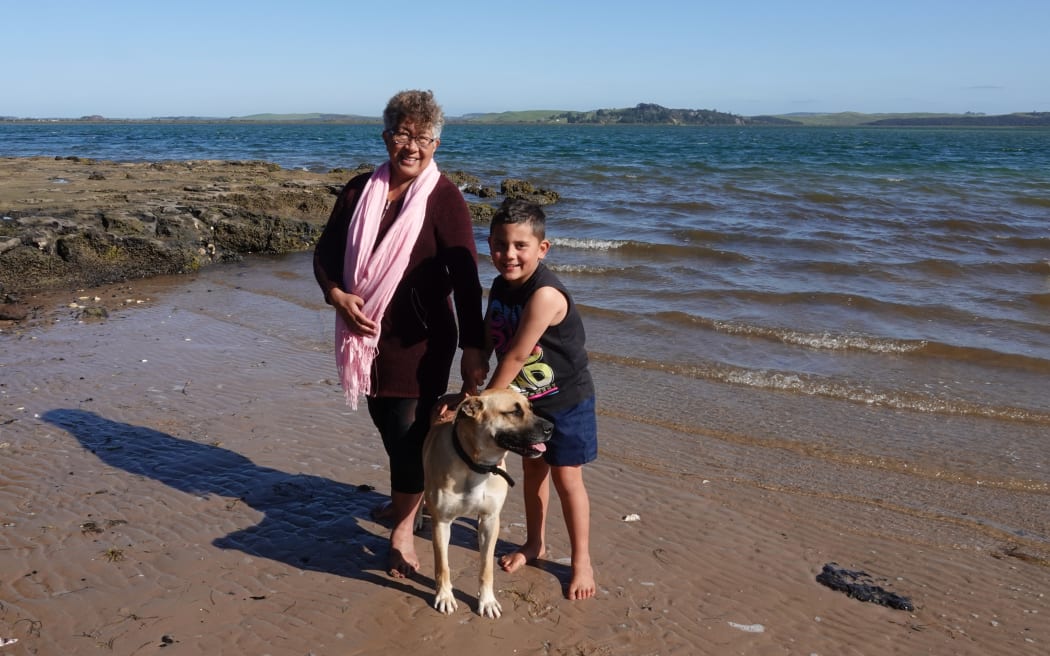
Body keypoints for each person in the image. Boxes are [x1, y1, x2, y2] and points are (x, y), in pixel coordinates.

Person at [313, 89, 488, 578]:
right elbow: (326, 253)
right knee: (385, 421)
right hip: (365, 336)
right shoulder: (358, 190)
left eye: (423, 138)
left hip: (422, 341)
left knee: (407, 433)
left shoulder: (444, 197)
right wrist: (336, 295)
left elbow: (467, 279)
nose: (412, 146)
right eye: (403, 134)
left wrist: (474, 347)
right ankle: (409, 495)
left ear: (436, 144)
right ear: (386, 137)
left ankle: (403, 529)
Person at [483, 198, 598, 600]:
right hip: (527, 403)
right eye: (500, 245)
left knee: (567, 479)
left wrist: (486, 404)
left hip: (567, 401)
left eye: (520, 245)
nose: (509, 254)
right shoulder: (500, 286)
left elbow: (516, 356)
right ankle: (535, 544)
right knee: (533, 472)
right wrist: (474, 366)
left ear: (542, 248)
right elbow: (490, 335)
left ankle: (581, 560)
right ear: (490, 245)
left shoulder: (545, 295)